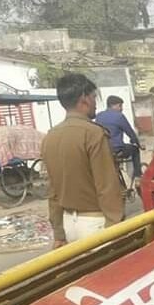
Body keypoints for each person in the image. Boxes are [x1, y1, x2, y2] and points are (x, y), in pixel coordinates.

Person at [42, 73, 123, 247]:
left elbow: (54, 192)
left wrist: (58, 233)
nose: (95, 102)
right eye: (94, 97)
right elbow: (107, 187)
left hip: (68, 224)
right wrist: (114, 227)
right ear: (84, 99)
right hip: (96, 224)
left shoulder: (50, 137)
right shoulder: (93, 133)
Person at [95, 95, 143, 179]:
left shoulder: (99, 116)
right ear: (113, 105)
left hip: (103, 151)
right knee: (135, 150)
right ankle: (137, 176)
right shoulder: (119, 116)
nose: (121, 108)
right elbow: (130, 132)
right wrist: (138, 144)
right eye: (120, 106)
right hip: (117, 150)